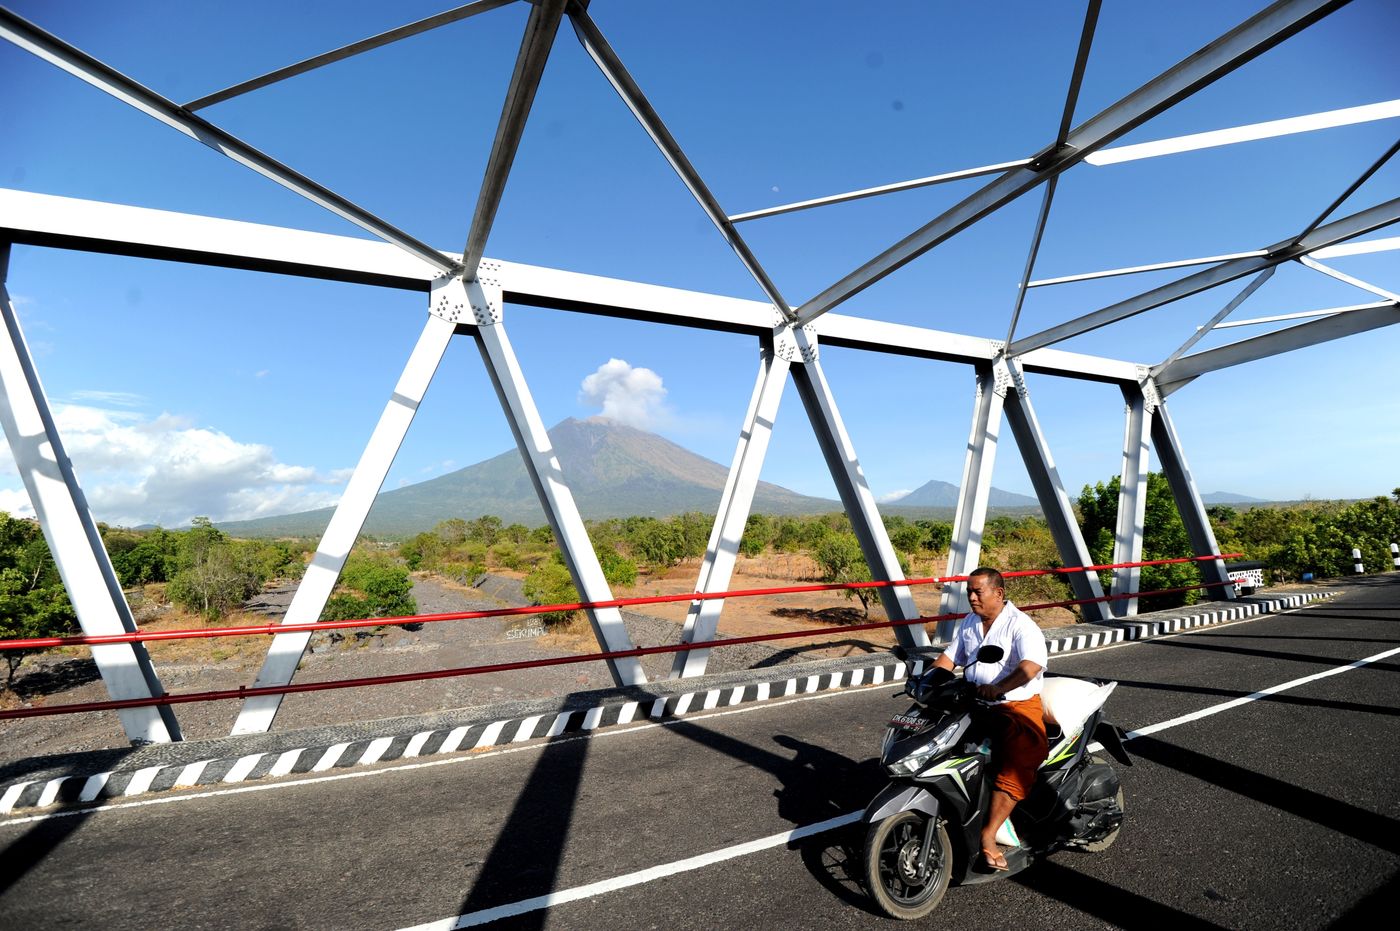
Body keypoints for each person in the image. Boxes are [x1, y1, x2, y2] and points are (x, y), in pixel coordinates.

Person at [931, 566, 1048, 872]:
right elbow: (950, 658)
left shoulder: (1021, 625)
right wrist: (926, 680)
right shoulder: (970, 621)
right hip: (974, 700)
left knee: (1023, 757)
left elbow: (1031, 666)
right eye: (968, 591)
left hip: (1014, 705)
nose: (971, 597)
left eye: (977, 591)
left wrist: (1000, 687)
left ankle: (989, 833)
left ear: (998, 592)